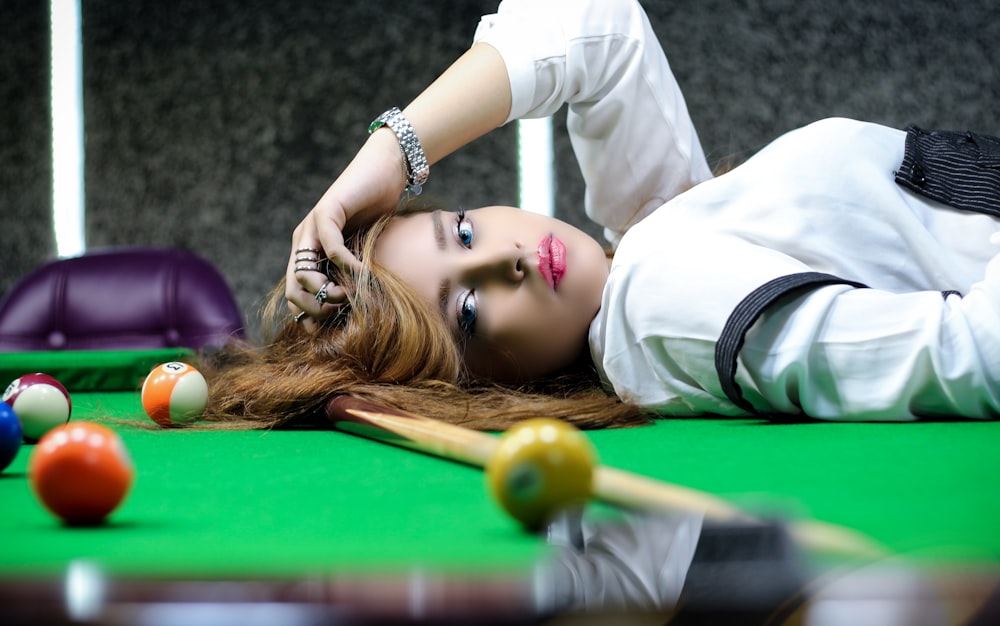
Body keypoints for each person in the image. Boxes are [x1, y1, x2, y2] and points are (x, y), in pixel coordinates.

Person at [203, 0, 1000, 430]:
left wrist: (387, 157)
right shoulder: (656, 304)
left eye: (466, 231)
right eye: (470, 311)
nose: (506, 261)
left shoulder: (646, 252)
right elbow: (974, 354)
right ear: (492, 391)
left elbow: (597, 24)